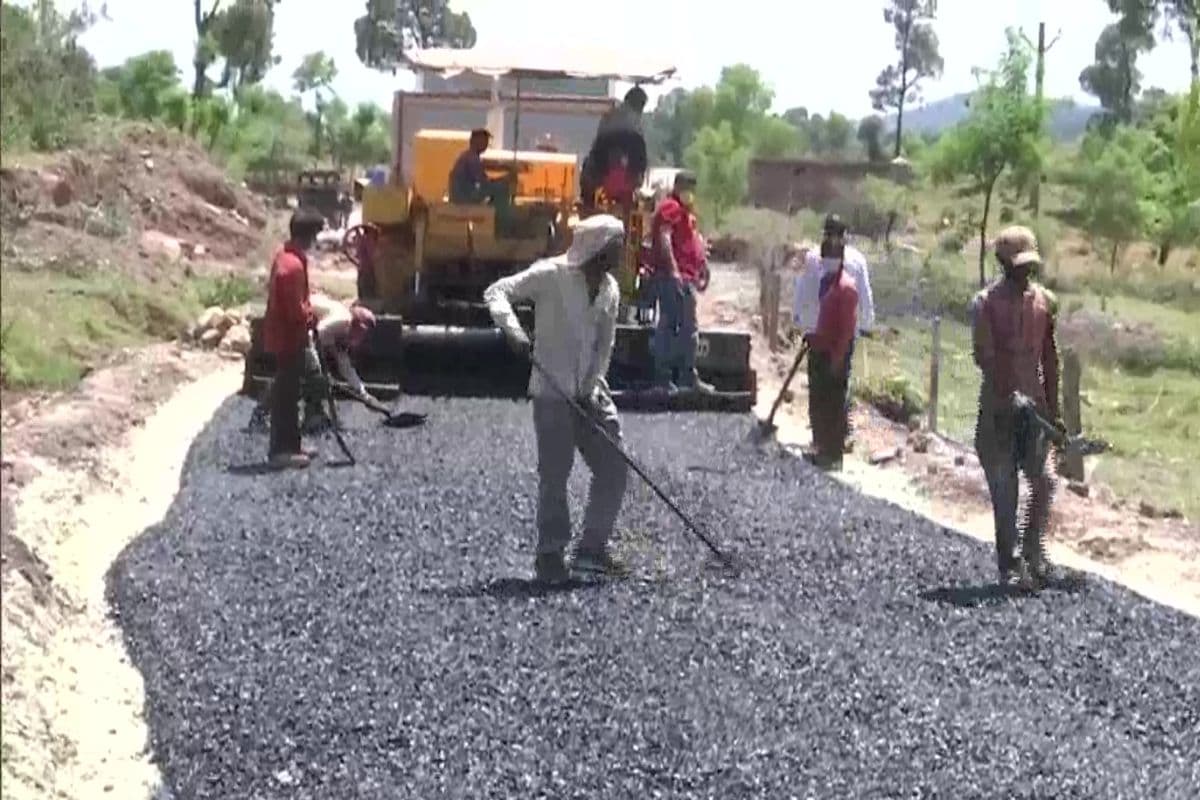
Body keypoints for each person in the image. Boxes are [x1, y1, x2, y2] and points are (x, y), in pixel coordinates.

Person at [483, 214, 631, 584]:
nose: (622, 253)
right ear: (599, 248)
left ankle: (591, 550)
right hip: (552, 393)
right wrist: (514, 332)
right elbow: (497, 292)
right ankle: (550, 555)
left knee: (614, 466)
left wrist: (594, 387)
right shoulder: (551, 275)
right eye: (617, 246)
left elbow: (605, 345)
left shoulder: (610, 289)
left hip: (589, 393)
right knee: (555, 475)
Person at [970, 225, 1061, 589]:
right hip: (999, 412)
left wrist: (1053, 410)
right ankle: (1009, 564)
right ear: (1003, 264)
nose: (1025, 273)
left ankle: (1033, 550)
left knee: (1045, 481)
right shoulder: (985, 304)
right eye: (1018, 266)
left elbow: (1050, 359)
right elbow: (986, 357)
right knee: (1005, 489)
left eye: (1029, 266)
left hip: (1034, 411)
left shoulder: (1044, 302)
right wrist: (1010, 395)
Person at [792, 215, 876, 447]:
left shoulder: (854, 261)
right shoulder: (814, 259)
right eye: (829, 236)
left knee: (834, 385)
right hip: (819, 333)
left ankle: (832, 440)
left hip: (839, 334)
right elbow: (804, 290)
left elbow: (863, 295)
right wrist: (800, 321)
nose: (832, 242)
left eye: (836, 237)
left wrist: (866, 323)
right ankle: (822, 439)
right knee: (821, 386)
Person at [263, 207, 325, 469]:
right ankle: (281, 451)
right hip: (288, 339)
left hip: (287, 337)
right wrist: (310, 317)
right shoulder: (292, 267)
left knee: (292, 390)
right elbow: (293, 310)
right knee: (287, 396)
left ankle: (293, 445)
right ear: (308, 235)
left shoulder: (287, 257)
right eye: (315, 235)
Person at [649, 171, 714, 393]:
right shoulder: (671, 207)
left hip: (687, 277)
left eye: (692, 188)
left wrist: (702, 265)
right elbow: (665, 238)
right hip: (673, 277)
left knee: (687, 328)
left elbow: (692, 241)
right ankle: (663, 378)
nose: (690, 192)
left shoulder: (685, 212)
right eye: (687, 187)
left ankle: (687, 376)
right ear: (677, 186)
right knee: (670, 325)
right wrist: (674, 271)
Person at [801, 234, 859, 471]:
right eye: (826, 257)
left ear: (840, 259)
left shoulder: (847, 288)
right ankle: (820, 446)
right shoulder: (825, 282)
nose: (828, 262)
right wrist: (812, 337)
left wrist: (837, 358)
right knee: (818, 399)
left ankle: (833, 454)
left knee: (832, 403)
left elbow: (846, 329)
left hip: (834, 353)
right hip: (819, 348)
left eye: (833, 258)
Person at [581, 87, 649, 209]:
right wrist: (638, 174)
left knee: (588, 172)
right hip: (625, 172)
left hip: (603, 168)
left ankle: (587, 205)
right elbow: (640, 156)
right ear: (640, 105)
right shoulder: (636, 123)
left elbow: (598, 143)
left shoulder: (609, 115)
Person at [448, 128, 510, 207]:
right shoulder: (472, 158)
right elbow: (483, 182)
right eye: (484, 141)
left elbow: (485, 170)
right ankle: (498, 212)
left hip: (462, 195)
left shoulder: (468, 155)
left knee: (498, 186)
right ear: (475, 141)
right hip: (464, 197)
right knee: (501, 187)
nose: (486, 144)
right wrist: (503, 179)